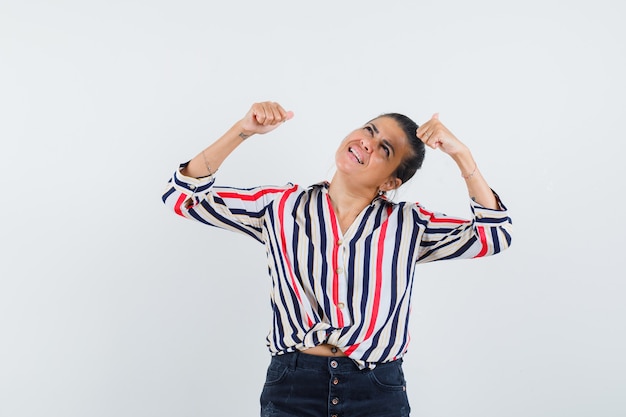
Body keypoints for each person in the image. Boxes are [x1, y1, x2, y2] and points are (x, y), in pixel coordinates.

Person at [162, 101, 512, 417]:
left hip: (377, 389)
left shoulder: (410, 224)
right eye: (369, 130)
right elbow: (181, 198)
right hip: (292, 387)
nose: (367, 143)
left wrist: (461, 155)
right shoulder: (280, 206)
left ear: (391, 181)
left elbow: (494, 236)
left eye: (384, 148)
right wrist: (243, 131)